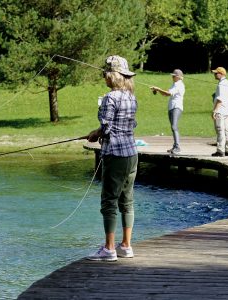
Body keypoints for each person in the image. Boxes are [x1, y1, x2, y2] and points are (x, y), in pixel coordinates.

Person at [86, 55, 138, 261]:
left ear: (112, 76)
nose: (104, 77)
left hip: (115, 155)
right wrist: (100, 132)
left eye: (106, 74)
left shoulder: (110, 98)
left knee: (109, 201)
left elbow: (106, 126)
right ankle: (126, 246)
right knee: (127, 201)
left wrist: (96, 133)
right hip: (132, 154)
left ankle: (109, 249)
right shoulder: (132, 97)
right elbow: (130, 125)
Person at [150, 69, 185, 154]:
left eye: (174, 75)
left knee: (174, 126)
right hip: (172, 107)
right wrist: (158, 90)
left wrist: (158, 88)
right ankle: (175, 146)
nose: (172, 77)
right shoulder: (174, 84)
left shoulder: (179, 85)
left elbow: (168, 94)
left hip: (176, 107)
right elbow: (166, 94)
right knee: (173, 127)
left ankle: (177, 147)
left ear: (178, 77)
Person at [211, 67, 228, 157]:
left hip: (220, 111)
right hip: (227, 111)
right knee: (226, 130)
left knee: (220, 130)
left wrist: (215, 111)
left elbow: (220, 99)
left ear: (221, 74)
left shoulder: (221, 85)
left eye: (216, 73)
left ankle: (220, 150)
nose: (214, 75)